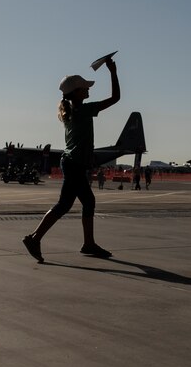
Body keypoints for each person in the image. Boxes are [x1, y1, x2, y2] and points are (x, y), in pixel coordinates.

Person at [22, 58, 120, 263]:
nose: (88, 90)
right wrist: (112, 71)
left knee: (86, 202)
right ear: (76, 92)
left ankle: (88, 243)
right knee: (63, 205)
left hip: (73, 163)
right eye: (84, 87)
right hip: (74, 164)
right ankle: (34, 238)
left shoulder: (72, 110)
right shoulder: (83, 110)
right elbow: (115, 98)